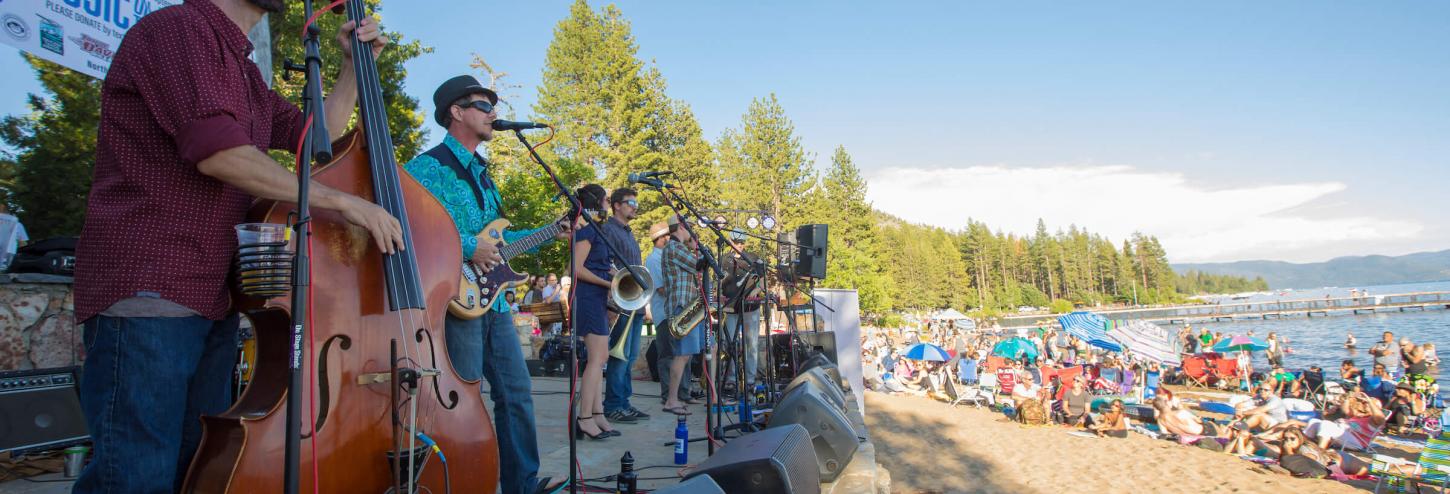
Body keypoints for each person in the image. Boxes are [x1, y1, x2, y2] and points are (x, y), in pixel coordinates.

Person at [71, 2, 396, 492]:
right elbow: (219, 152)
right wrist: (345, 203)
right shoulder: (180, 30)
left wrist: (353, 65)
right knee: (136, 473)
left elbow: (317, 140)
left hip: (210, 294)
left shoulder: (241, 69)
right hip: (150, 284)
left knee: (192, 469)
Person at [403, 74, 574, 494]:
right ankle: (459, 482)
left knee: (517, 393)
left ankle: (523, 484)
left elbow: (497, 242)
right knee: (461, 398)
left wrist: (551, 230)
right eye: (483, 105)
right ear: (456, 113)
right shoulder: (427, 167)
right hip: (454, 300)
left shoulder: (484, 175)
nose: (493, 113)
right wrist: (466, 245)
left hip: (494, 304)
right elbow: (412, 225)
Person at [566, 184, 622, 441]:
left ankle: (597, 414)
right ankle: (584, 418)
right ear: (600, 201)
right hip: (586, 297)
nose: (609, 205)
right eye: (608, 200)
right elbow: (576, 269)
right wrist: (609, 283)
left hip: (595, 298)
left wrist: (619, 278)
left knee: (600, 359)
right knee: (597, 358)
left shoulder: (595, 228)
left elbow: (599, 265)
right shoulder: (587, 229)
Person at [600, 187, 651, 425]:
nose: (634, 206)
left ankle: (624, 402)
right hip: (621, 302)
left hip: (635, 303)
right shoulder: (608, 229)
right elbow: (604, 263)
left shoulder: (628, 232)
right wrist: (621, 281)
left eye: (636, 203)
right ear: (616, 205)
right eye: (630, 202)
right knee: (618, 357)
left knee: (629, 356)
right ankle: (613, 405)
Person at [659, 214, 706, 416]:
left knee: (691, 352)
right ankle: (671, 400)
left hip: (688, 307)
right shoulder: (674, 248)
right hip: (682, 308)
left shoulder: (678, 248)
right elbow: (699, 264)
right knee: (681, 354)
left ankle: (677, 397)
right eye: (689, 228)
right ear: (680, 227)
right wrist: (697, 248)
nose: (691, 232)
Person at [721, 231, 765, 393]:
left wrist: (753, 293)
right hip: (731, 307)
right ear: (731, 241)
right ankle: (731, 379)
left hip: (749, 307)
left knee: (751, 343)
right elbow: (718, 281)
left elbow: (761, 281)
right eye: (736, 241)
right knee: (730, 343)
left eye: (742, 242)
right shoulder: (724, 259)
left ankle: (750, 379)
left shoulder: (753, 258)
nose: (739, 245)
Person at [1306, 391, 1387, 451]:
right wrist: (1349, 397)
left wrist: (1370, 401)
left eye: (1368, 404)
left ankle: (1321, 450)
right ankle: (1305, 444)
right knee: (1314, 421)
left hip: (1357, 442)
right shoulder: (1359, 415)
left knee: (1326, 424)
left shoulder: (1375, 420)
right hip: (1345, 435)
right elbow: (1345, 410)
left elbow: (1379, 416)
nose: (1365, 404)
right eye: (1365, 402)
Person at [0, 203, 28, 271]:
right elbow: (23, 244)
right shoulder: (17, 224)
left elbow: (22, 243)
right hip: (9, 257)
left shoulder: (17, 225)